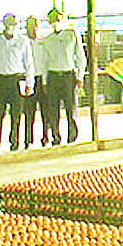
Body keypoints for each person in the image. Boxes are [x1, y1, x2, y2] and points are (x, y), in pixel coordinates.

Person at [0, 13, 35, 153]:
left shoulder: (23, 40)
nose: (11, 26)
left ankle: (14, 144)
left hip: (16, 81)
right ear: (4, 23)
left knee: (16, 115)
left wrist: (29, 84)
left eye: (14, 23)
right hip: (0, 81)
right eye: (9, 22)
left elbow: (29, 63)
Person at [42, 8, 85, 145]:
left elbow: (80, 56)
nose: (55, 22)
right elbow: (44, 62)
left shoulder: (71, 34)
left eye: (58, 18)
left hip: (68, 75)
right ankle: (56, 137)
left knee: (70, 108)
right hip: (53, 76)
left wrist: (80, 76)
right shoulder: (48, 39)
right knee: (53, 109)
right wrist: (44, 81)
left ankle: (72, 136)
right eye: (52, 19)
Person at [24, 16, 51, 148]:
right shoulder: (23, 42)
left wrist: (45, 81)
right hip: (29, 80)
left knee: (46, 111)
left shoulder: (44, 41)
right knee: (29, 112)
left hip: (42, 79)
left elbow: (47, 61)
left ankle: (46, 137)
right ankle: (28, 140)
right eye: (30, 26)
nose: (33, 28)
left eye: (36, 25)